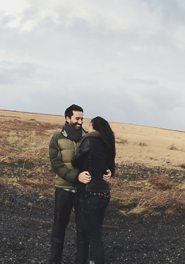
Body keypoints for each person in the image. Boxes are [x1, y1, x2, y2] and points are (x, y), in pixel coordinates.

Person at [72, 116, 117, 264]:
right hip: (104, 194)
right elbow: (111, 167)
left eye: (89, 125)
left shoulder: (89, 140)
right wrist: (110, 173)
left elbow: (75, 161)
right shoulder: (108, 143)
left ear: (93, 126)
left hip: (90, 194)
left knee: (94, 237)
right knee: (95, 232)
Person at [48, 104, 88, 263]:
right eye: (77, 118)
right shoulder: (56, 138)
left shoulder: (88, 138)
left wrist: (108, 171)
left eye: (82, 119)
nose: (80, 122)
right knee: (59, 229)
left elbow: (97, 160)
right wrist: (76, 176)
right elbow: (56, 165)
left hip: (82, 191)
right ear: (67, 118)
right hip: (63, 189)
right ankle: (55, 260)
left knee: (83, 231)